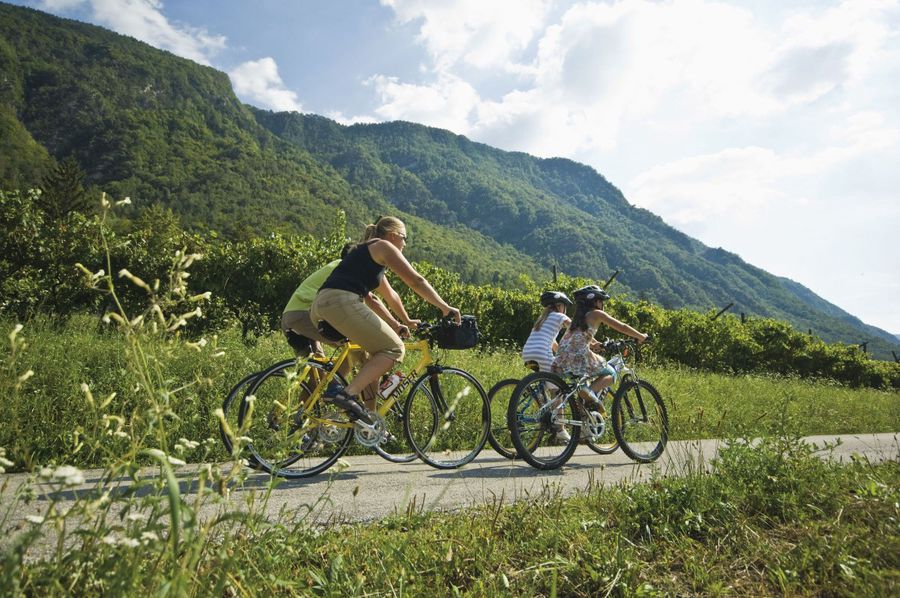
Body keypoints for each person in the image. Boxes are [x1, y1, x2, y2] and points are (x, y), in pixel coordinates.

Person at [310, 216, 461, 425]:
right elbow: (416, 281)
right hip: (341, 302)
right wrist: (445, 307)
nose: (405, 244)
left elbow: (391, 296)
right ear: (393, 235)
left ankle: (359, 415)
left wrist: (405, 321)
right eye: (404, 238)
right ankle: (346, 394)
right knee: (394, 349)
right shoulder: (383, 246)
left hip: (321, 305)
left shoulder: (368, 254)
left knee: (373, 354)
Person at [552, 285, 647, 411]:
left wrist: (594, 344)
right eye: (601, 301)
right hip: (580, 356)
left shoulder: (577, 318)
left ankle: (584, 423)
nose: (603, 304)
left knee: (581, 386)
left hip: (561, 356)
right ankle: (589, 392)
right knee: (611, 373)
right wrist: (641, 336)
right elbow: (622, 327)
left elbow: (578, 338)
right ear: (596, 302)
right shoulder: (596, 313)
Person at [522, 290, 573, 443]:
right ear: (559, 306)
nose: (565, 310)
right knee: (558, 389)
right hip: (542, 353)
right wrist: (594, 343)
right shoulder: (560, 316)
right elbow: (577, 329)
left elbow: (552, 343)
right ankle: (561, 429)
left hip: (528, 352)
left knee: (547, 383)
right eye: (565, 306)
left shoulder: (541, 320)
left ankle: (544, 409)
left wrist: (560, 355)